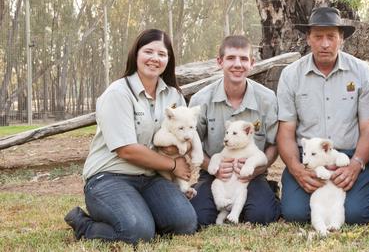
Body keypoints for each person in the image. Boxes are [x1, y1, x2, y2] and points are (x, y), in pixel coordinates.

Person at [64, 29, 197, 244]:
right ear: (136, 54)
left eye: (162, 54)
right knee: (137, 233)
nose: (155, 58)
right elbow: (126, 149)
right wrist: (172, 165)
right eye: (149, 52)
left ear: (168, 60)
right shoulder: (117, 93)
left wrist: (182, 149)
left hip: (152, 177)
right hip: (109, 177)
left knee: (185, 224)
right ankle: (83, 224)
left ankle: (143, 215)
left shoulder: (174, 95)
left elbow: (188, 136)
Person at [276, 6, 369, 225]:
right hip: (309, 158)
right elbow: (285, 132)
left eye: (331, 37)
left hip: (349, 155)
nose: (325, 44)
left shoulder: (361, 71)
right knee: (296, 215)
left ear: (341, 39)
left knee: (355, 216)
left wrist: (356, 164)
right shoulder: (290, 75)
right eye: (318, 36)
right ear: (308, 38)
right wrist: (297, 170)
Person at [188, 35, 280, 226]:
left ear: (252, 63)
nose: (237, 64)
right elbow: (191, 143)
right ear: (219, 62)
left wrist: (256, 169)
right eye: (230, 58)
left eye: (244, 59)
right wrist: (211, 167)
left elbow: (273, 144)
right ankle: (216, 201)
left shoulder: (267, 98)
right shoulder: (201, 99)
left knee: (261, 216)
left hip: (252, 175)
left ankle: (264, 193)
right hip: (214, 174)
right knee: (199, 218)